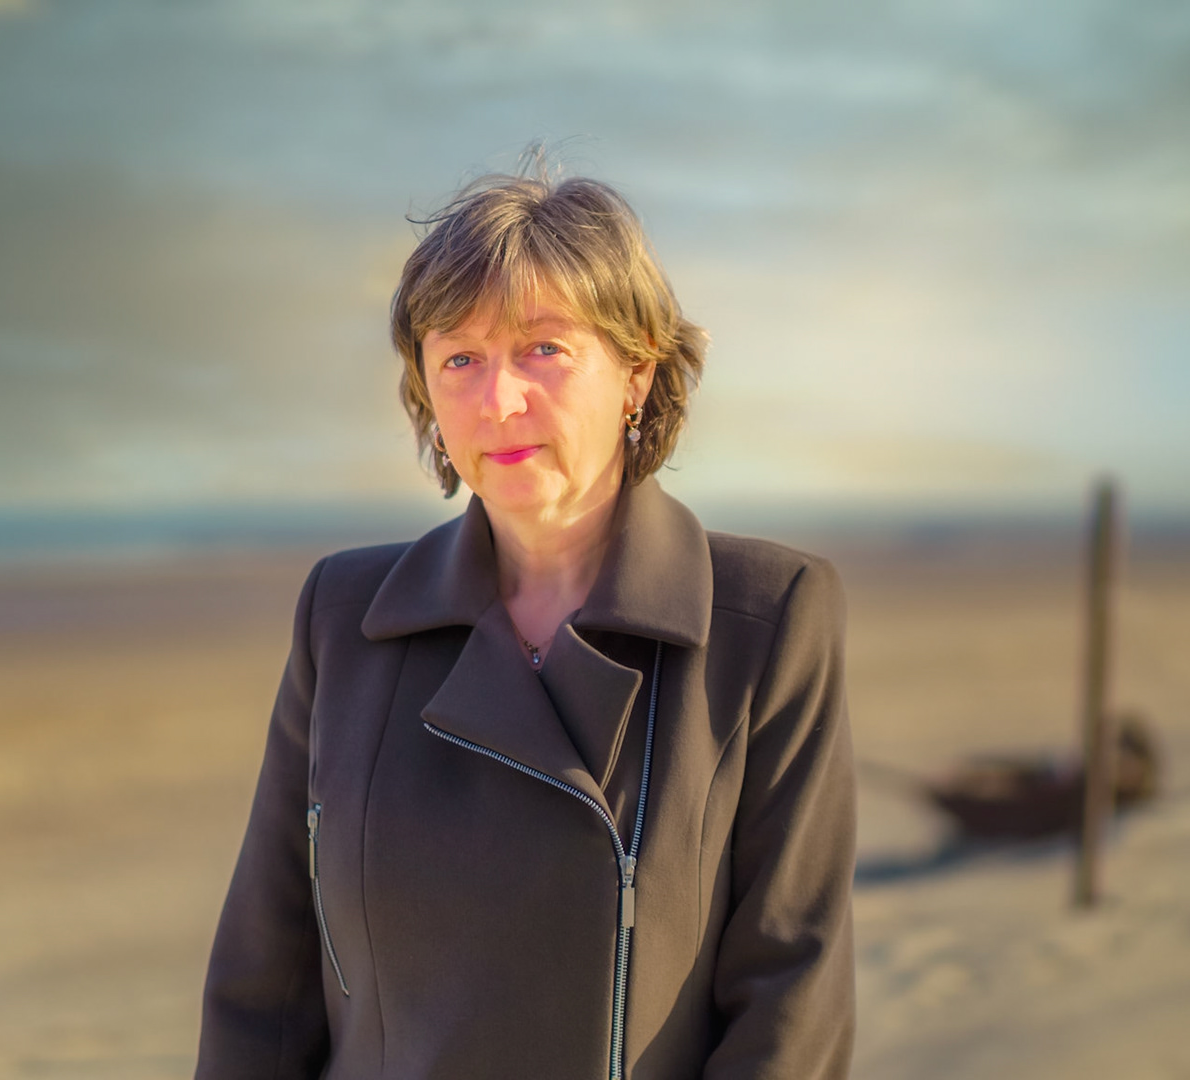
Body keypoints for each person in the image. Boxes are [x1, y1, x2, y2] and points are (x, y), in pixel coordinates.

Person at [196, 164, 856, 1080]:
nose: (498, 400)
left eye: (544, 349)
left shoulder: (763, 621)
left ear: (638, 368)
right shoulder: (345, 620)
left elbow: (792, 998)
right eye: (460, 358)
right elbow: (261, 992)